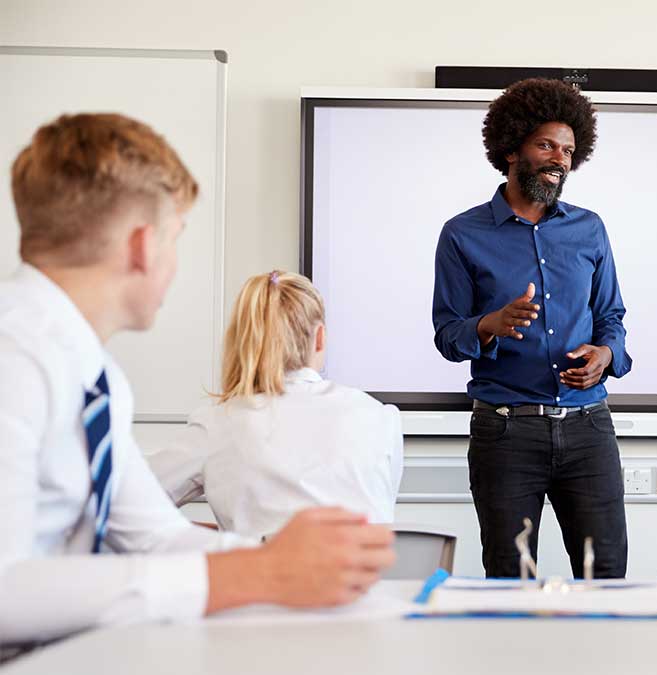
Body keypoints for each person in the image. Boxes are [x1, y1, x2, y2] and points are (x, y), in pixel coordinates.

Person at [0, 113, 394, 645]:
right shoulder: (14, 355)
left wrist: (280, 559)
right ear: (143, 244)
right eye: (176, 237)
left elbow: (154, 536)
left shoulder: (95, 379)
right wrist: (260, 571)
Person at [432, 79, 631, 578]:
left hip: (589, 429)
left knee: (606, 573)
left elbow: (611, 318)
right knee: (509, 575)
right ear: (512, 148)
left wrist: (606, 355)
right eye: (546, 144)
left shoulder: (589, 228)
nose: (558, 158)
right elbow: (447, 335)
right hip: (504, 432)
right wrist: (490, 325)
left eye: (567, 149)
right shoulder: (462, 234)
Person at [147, 271, 404, 540]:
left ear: (241, 341)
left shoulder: (218, 423)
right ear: (320, 338)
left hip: (261, 579)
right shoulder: (381, 417)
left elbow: (120, 504)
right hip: (369, 582)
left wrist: (217, 540)